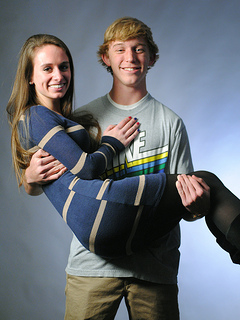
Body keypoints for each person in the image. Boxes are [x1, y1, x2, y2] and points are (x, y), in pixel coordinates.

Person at [15, 21, 239, 320]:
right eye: (120, 49)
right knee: (209, 180)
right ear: (106, 58)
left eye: (139, 50)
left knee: (204, 184)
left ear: (152, 57)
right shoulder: (82, 120)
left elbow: (188, 205)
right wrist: (29, 178)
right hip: (93, 269)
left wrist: (197, 207)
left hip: (153, 269)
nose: (130, 58)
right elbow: (56, 178)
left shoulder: (170, 123)